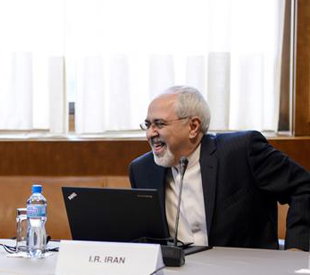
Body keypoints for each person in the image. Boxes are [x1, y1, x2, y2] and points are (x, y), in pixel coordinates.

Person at [129, 85, 310, 251]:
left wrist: (296, 250)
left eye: (159, 124)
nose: (150, 134)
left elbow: (303, 187)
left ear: (193, 126)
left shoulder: (242, 151)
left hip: (247, 274)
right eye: (147, 125)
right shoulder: (142, 170)